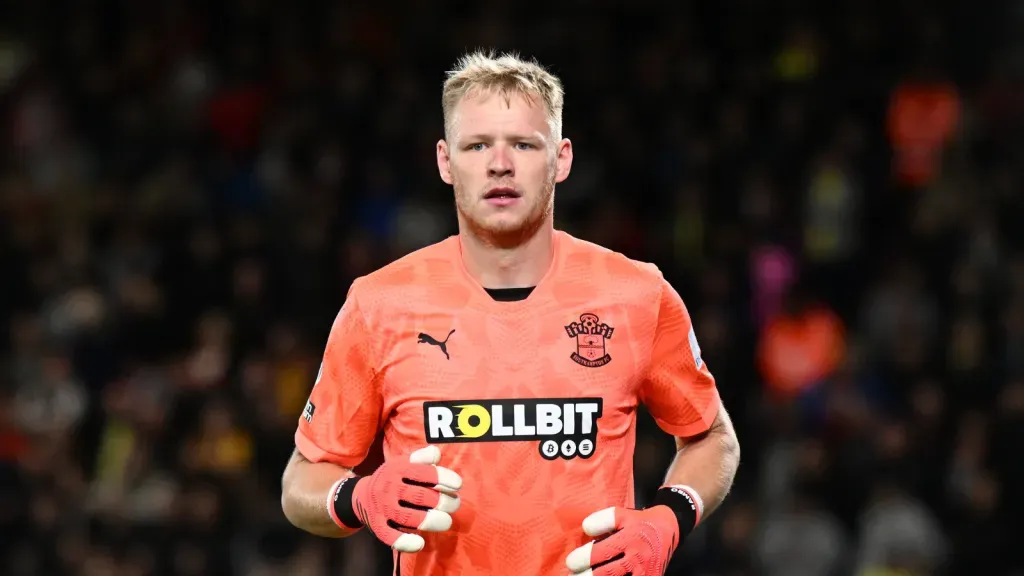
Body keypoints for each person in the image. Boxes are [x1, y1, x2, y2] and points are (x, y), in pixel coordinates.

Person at [280, 50, 741, 576]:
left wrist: (668, 518)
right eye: (477, 145)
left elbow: (711, 438)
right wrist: (356, 496)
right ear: (445, 161)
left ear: (562, 158)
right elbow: (302, 482)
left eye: (523, 143)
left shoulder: (638, 294)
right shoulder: (378, 303)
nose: (500, 163)